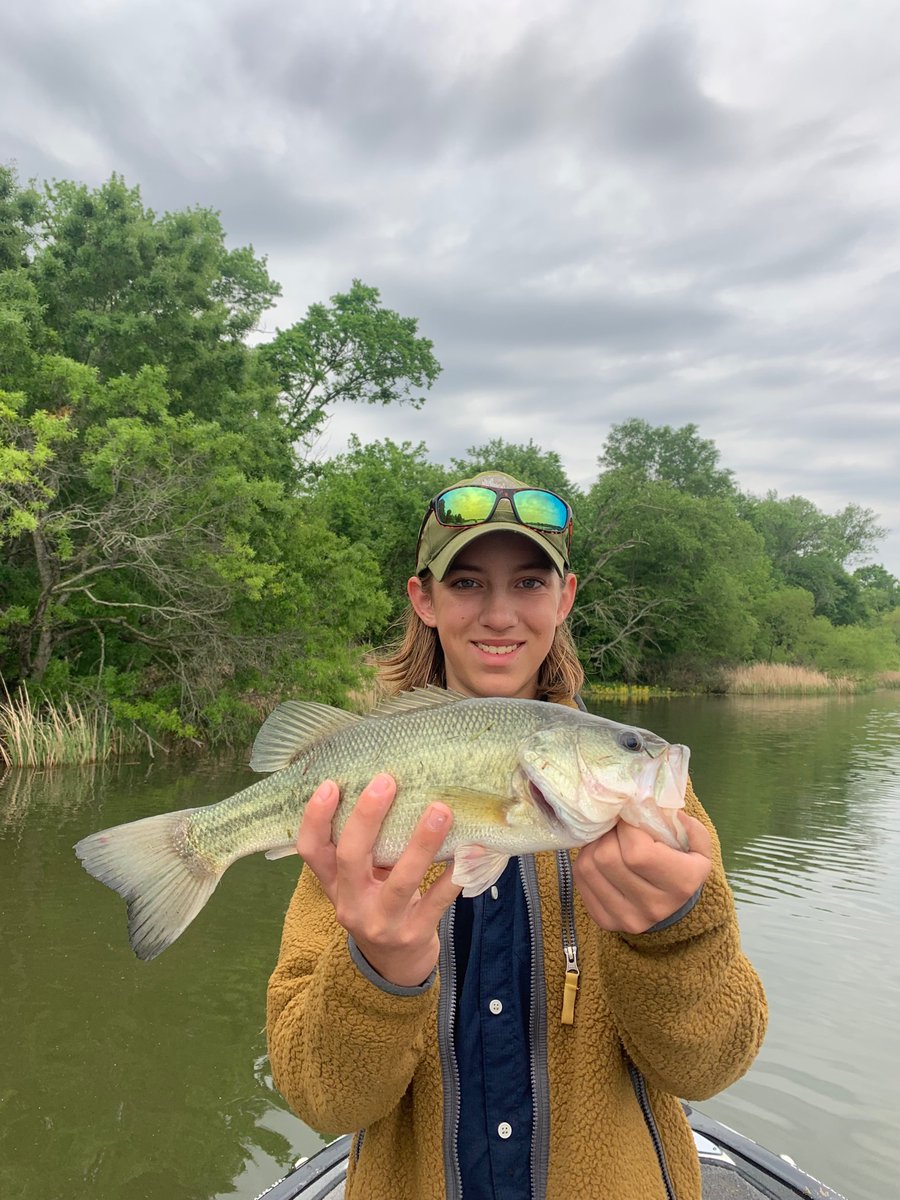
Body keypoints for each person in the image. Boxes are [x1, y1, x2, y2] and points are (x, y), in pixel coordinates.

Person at [267, 470, 767, 1200]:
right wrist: (377, 970)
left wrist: (676, 939)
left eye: (529, 583)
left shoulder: (659, 815)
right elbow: (324, 1103)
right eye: (467, 584)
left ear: (564, 600)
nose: (500, 615)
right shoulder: (364, 805)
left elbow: (709, 1069)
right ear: (425, 600)